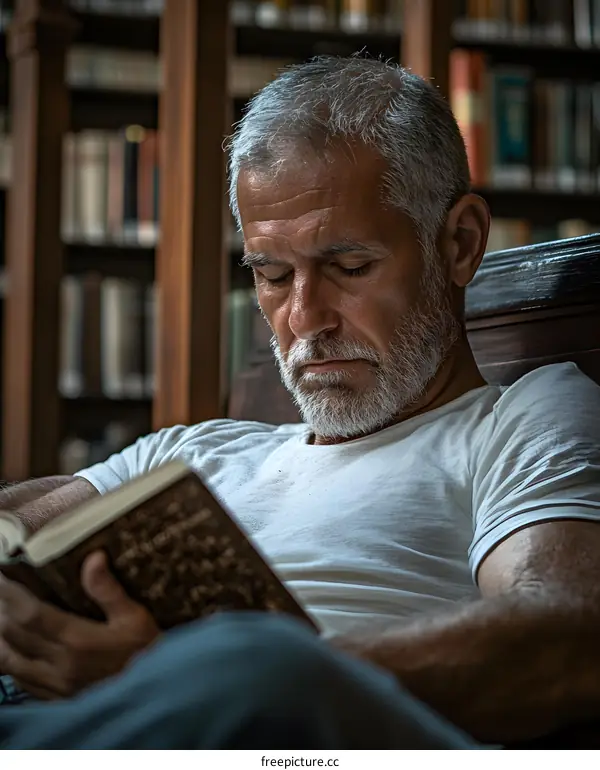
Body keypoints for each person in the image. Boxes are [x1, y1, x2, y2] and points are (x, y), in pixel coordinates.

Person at [1, 55, 600, 750]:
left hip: (288, 737)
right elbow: (21, 526)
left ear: (459, 244)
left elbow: (569, 636)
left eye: (349, 267)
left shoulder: (525, 417)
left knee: (258, 658)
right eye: (274, 276)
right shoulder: (196, 451)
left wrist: (186, 677)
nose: (304, 318)